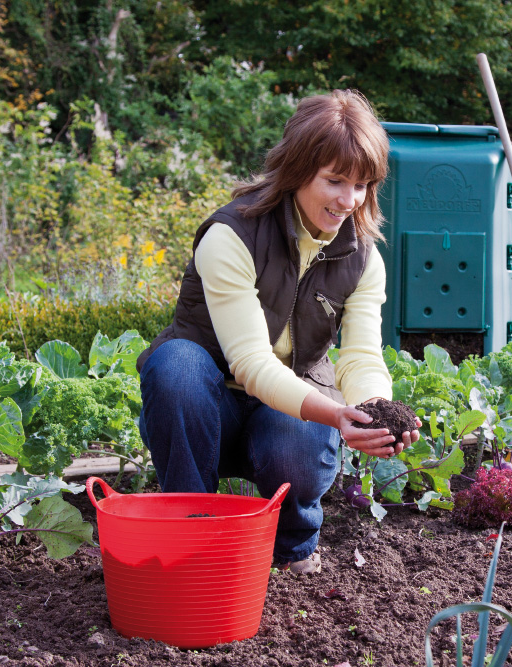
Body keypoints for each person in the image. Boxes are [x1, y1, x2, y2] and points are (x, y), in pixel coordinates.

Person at [136, 89, 419, 575]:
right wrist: (335, 414)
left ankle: (291, 546)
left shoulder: (364, 258)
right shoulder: (232, 236)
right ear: (296, 169)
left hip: (285, 418)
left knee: (295, 431)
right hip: (209, 408)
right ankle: (192, 536)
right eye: (334, 181)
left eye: (361, 184)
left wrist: (373, 412)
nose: (348, 200)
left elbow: (361, 356)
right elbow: (250, 363)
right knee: (176, 366)